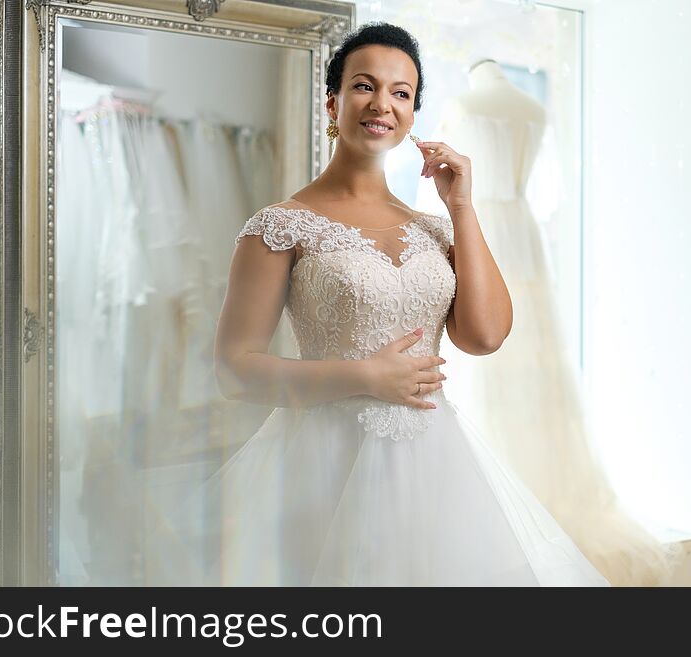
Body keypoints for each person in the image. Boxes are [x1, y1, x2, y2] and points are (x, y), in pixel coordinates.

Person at [205, 21, 610, 586]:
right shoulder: (280, 226)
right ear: (333, 101)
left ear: (413, 115)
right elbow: (234, 370)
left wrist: (462, 207)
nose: (382, 104)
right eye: (364, 86)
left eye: (401, 93)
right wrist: (365, 376)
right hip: (322, 464)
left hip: (434, 462)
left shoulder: (437, 228)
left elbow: (485, 336)